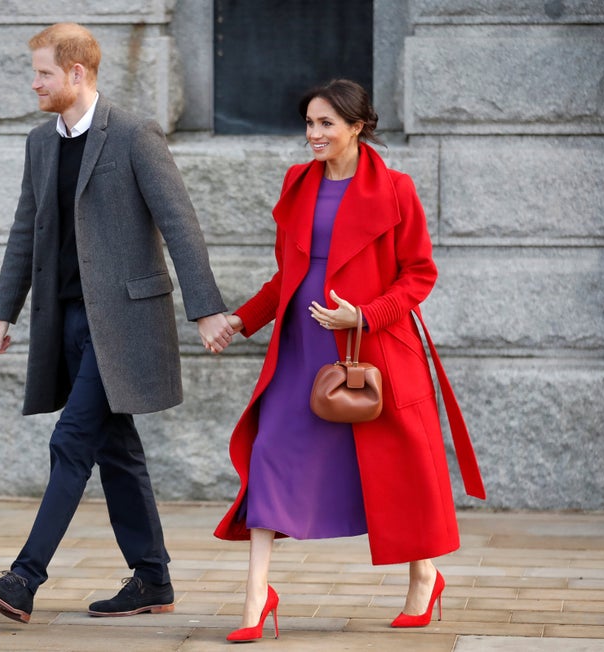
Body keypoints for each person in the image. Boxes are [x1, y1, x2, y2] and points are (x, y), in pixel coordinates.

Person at [0, 23, 233, 624]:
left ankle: (23, 578)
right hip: (65, 323)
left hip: (125, 324)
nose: (33, 82)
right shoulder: (40, 143)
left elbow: (180, 223)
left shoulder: (135, 135)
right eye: (35, 72)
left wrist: (206, 307)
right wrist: (3, 308)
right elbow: (25, 229)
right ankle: (153, 579)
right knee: (115, 452)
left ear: (76, 74)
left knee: (71, 441)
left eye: (42, 72)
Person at [213, 79, 486, 642]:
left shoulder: (396, 189)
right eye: (309, 124)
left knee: (400, 468)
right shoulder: (297, 183)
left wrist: (365, 314)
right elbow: (286, 277)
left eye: (325, 125)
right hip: (301, 351)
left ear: (357, 127)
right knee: (270, 456)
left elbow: (419, 275)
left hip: (377, 352)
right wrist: (241, 320)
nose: (313, 135)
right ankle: (255, 598)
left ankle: (424, 577)